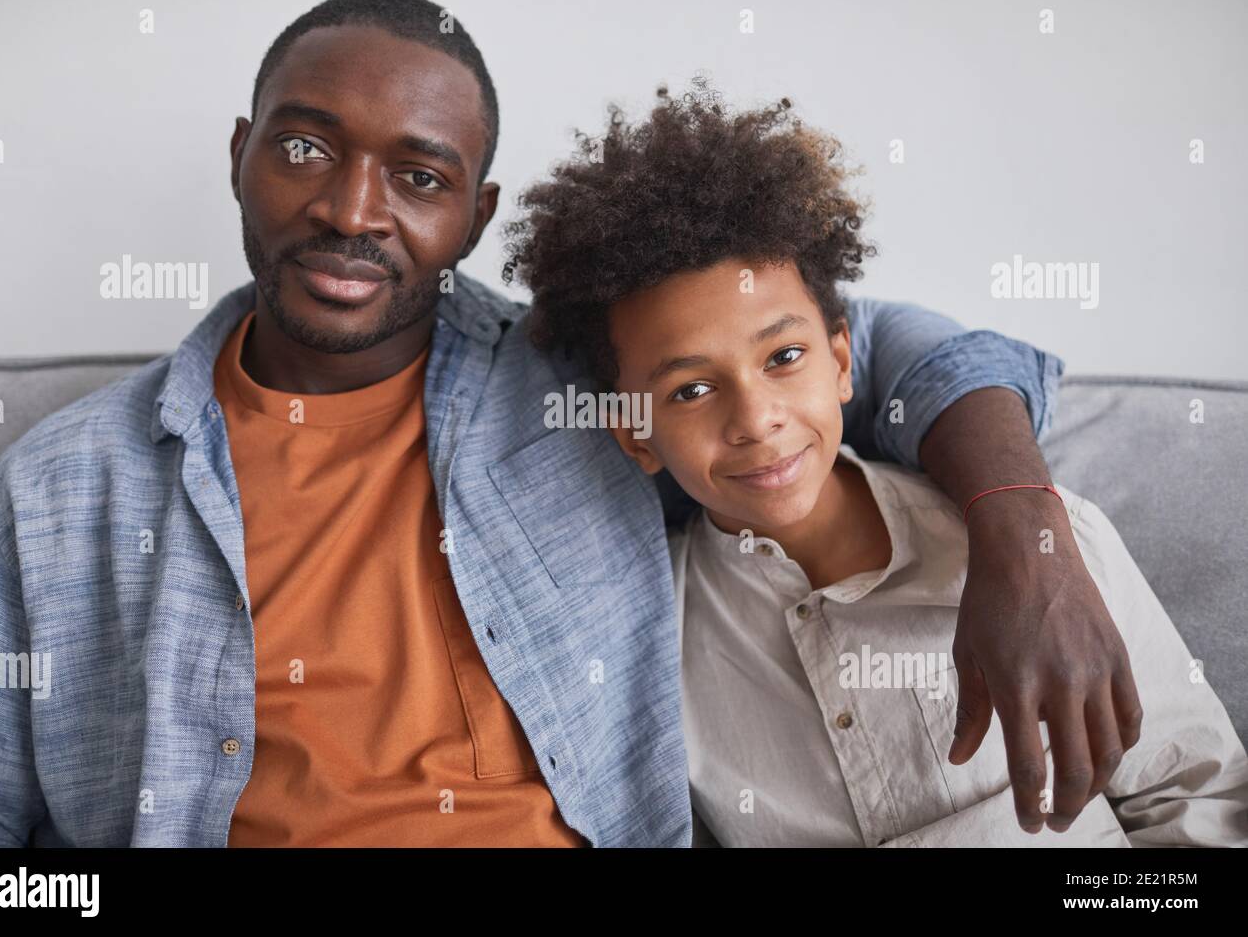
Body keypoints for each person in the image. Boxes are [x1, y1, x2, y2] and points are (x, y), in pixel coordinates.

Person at [0, 0, 1133, 847]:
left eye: (418, 176)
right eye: (306, 147)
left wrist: (1028, 543)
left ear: (476, 214)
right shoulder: (62, 490)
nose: (351, 211)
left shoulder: (593, 384)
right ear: (240, 155)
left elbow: (882, 351)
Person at [504, 83, 1248, 846]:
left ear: (841, 363)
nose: (757, 419)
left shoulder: (1054, 548)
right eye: (691, 389)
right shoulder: (648, 638)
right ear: (634, 435)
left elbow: (1198, 803)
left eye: (785, 357)